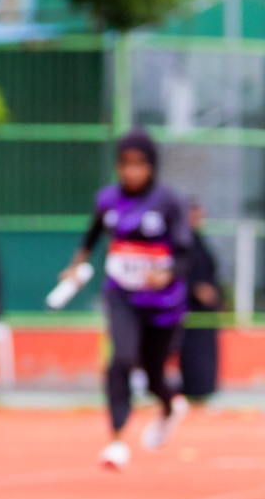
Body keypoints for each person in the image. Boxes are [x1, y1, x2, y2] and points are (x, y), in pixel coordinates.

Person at [60, 130, 191, 471]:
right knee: (121, 358)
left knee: (153, 375)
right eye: (125, 165)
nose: (132, 172)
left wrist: (167, 273)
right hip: (122, 296)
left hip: (163, 305)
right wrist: (75, 267)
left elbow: (187, 254)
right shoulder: (106, 200)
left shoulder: (168, 202)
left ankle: (168, 405)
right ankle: (116, 439)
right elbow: (90, 237)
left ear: (152, 166)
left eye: (139, 165)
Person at [179, 199, 220, 404]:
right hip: (187, 309)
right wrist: (194, 289)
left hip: (206, 312)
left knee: (205, 356)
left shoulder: (201, 241)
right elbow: (176, 272)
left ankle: (202, 394)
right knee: (189, 354)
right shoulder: (180, 242)